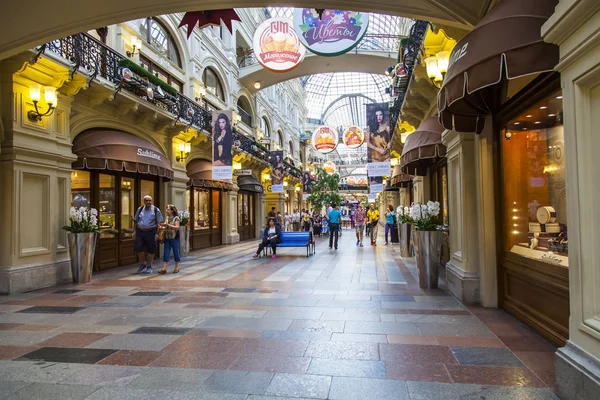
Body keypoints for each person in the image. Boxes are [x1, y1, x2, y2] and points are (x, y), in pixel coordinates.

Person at [133, 195, 164, 274]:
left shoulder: (156, 210)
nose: (148, 202)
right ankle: (143, 263)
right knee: (138, 248)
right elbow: (136, 221)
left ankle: (149, 266)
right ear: (144, 201)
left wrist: (157, 233)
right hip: (140, 231)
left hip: (151, 231)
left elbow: (159, 223)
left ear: (151, 201)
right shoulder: (140, 209)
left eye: (149, 200)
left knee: (151, 249)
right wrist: (134, 231)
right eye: (146, 201)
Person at [158, 204, 181, 274]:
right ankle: (164, 268)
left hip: (174, 238)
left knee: (176, 252)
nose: (166, 210)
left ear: (172, 210)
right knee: (166, 253)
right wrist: (161, 227)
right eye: (166, 209)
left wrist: (168, 225)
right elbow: (166, 227)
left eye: (168, 209)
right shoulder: (167, 218)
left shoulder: (176, 218)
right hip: (167, 238)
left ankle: (177, 267)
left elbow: (177, 227)